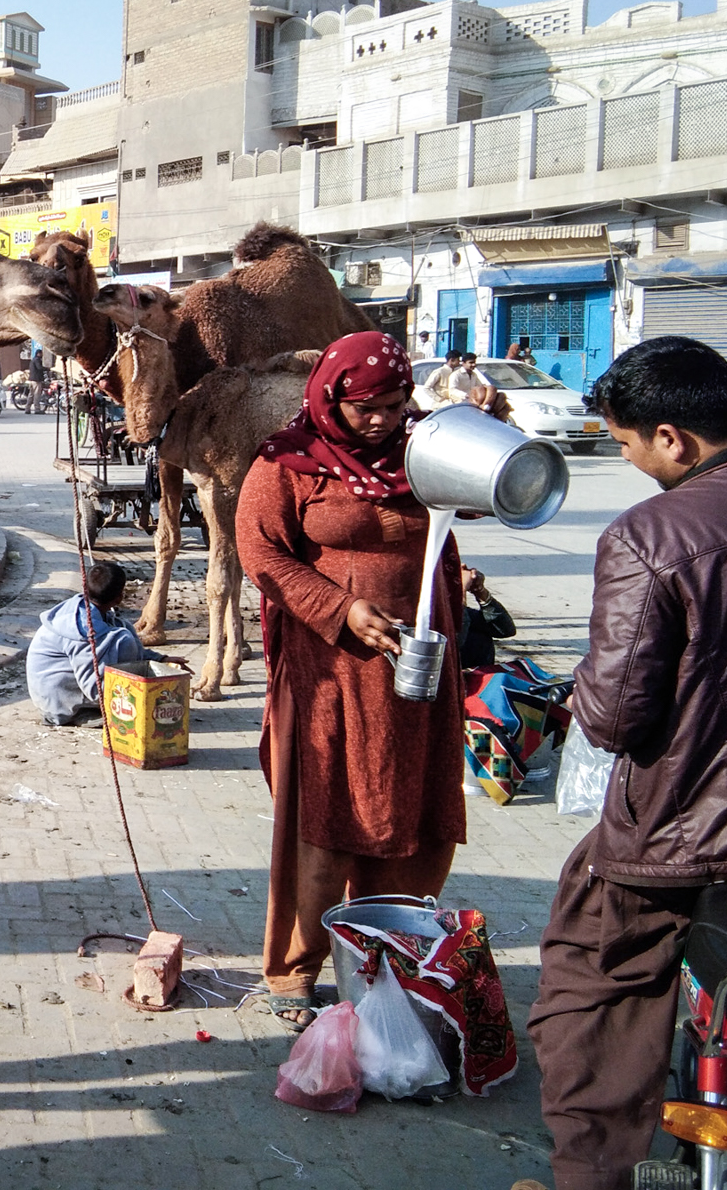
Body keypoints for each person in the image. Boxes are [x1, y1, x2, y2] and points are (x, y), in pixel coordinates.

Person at [525, 336, 727, 1190]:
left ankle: (594, 1174)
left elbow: (617, 714)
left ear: (673, 438)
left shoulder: (654, 535)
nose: (628, 464)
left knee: (590, 991)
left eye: (626, 446)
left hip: (683, 835)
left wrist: (586, 690)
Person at [236, 330, 467, 1030]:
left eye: (396, 405)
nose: (383, 420)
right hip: (333, 672)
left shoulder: (422, 451)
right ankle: (295, 972)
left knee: (413, 811)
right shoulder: (289, 463)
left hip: (420, 666)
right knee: (327, 816)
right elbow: (261, 554)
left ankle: (388, 953)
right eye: (368, 407)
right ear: (332, 396)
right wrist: (340, 610)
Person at [26, 561, 180, 726]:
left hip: (57, 692)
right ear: (119, 597)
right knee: (123, 640)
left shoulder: (88, 608)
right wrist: (138, 695)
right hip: (56, 704)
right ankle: (80, 713)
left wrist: (160, 659)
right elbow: (95, 689)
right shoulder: (86, 631)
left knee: (123, 631)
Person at [457, 564, 516, 668]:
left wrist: (480, 591)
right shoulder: (422, 614)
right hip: (440, 679)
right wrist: (460, 591)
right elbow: (455, 641)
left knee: (479, 633)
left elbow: (504, 629)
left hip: (475, 677)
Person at [27, 342, 50, 414]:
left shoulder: (33, 360)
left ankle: (27, 409)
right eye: (41, 354)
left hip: (31, 380)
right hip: (36, 380)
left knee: (31, 395)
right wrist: (47, 368)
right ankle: (37, 409)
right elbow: (39, 368)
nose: (42, 355)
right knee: (37, 395)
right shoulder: (37, 360)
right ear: (38, 354)